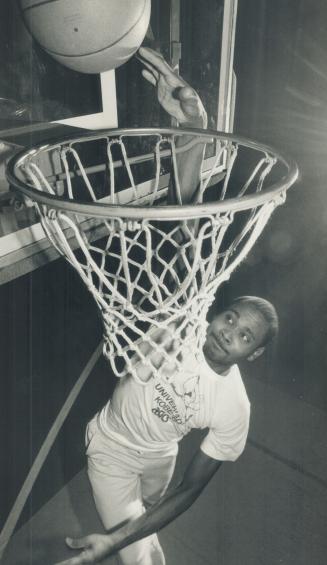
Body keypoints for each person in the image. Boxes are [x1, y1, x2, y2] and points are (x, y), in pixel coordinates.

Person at [55, 48, 279, 565]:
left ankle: (140, 525)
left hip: (162, 456)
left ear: (254, 355)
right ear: (216, 310)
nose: (229, 332)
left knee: (153, 511)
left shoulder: (232, 408)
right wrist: (195, 126)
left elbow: (190, 491)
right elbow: (187, 217)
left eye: (246, 336)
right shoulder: (184, 321)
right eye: (231, 318)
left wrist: (143, 518)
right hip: (110, 447)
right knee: (139, 555)